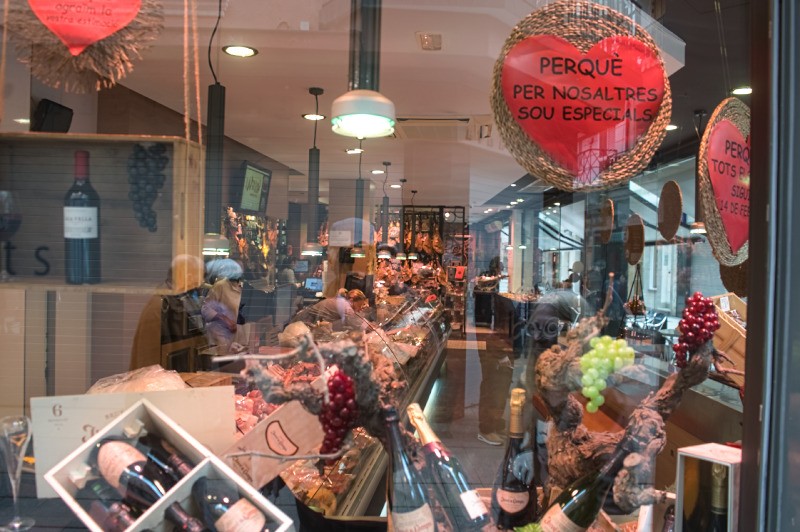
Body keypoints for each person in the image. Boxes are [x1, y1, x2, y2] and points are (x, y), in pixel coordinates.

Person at [130, 254, 206, 370]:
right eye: (200, 276)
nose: (202, 281)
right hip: (166, 377)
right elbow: (147, 360)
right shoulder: (159, 307)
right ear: (188, 276)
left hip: (181, 374)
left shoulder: (184, 300)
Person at [202, 259, 245, 352]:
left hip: (236, 335)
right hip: (220, 335)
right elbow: (205, 309)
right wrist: (225, 319)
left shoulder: (242, 286)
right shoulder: (220, 286)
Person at [291, 288, 369, 332]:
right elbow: (357, 324)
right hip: (301, 323)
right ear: (351, 300)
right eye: (360, 305)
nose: (360, 308)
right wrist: (371, 328)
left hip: (305, 321)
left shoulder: (343, 302)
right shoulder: (345, 306)